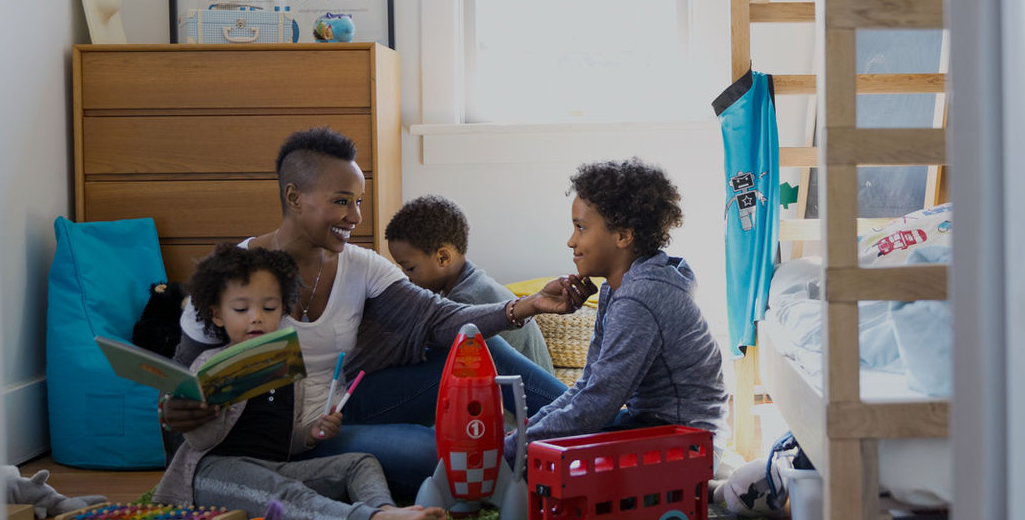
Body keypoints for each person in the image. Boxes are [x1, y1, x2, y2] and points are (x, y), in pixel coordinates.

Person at [160, 127, 587, 500]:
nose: (356, 216)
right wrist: (178, 409)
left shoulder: (361, 266)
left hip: (342, 406)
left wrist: (527, 305)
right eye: (342, 201)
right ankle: (537, 454)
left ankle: (593, 419)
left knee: (475, 345)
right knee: (435, 452)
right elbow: (180, 384)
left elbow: (440, 318)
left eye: (358, 201)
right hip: (285, 439)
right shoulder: (230, 276)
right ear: (294, 196)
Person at [151, 245, 447, 520]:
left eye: (269, 308)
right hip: (213, 473)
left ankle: (385, 511)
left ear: (283, 309)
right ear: (216, 315)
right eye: (241, 310)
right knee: (285, 493)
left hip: (275, 468)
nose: (256, 318)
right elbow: (200, 443)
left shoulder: (286, 368)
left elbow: (282, 439)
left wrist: (311, 433)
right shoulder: (209, 365)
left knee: (361, 462)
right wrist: (207, 410)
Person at [511, 158, 728, 454]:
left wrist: (512, 449)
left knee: (538, 467)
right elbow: (588, 385)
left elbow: (596, 406)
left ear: (623, 236)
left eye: (581, 227)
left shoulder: (640, 298)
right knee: (526, 449)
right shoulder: (617, 289)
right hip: (646, 423)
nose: (571, 241)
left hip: (685, 444)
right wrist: (521, 438)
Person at [384, 194, 556, 376]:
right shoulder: (470, 284)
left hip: (524, 401)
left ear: (443, 257)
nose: (406, 278)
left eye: (410, 268)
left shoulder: (468, 300)